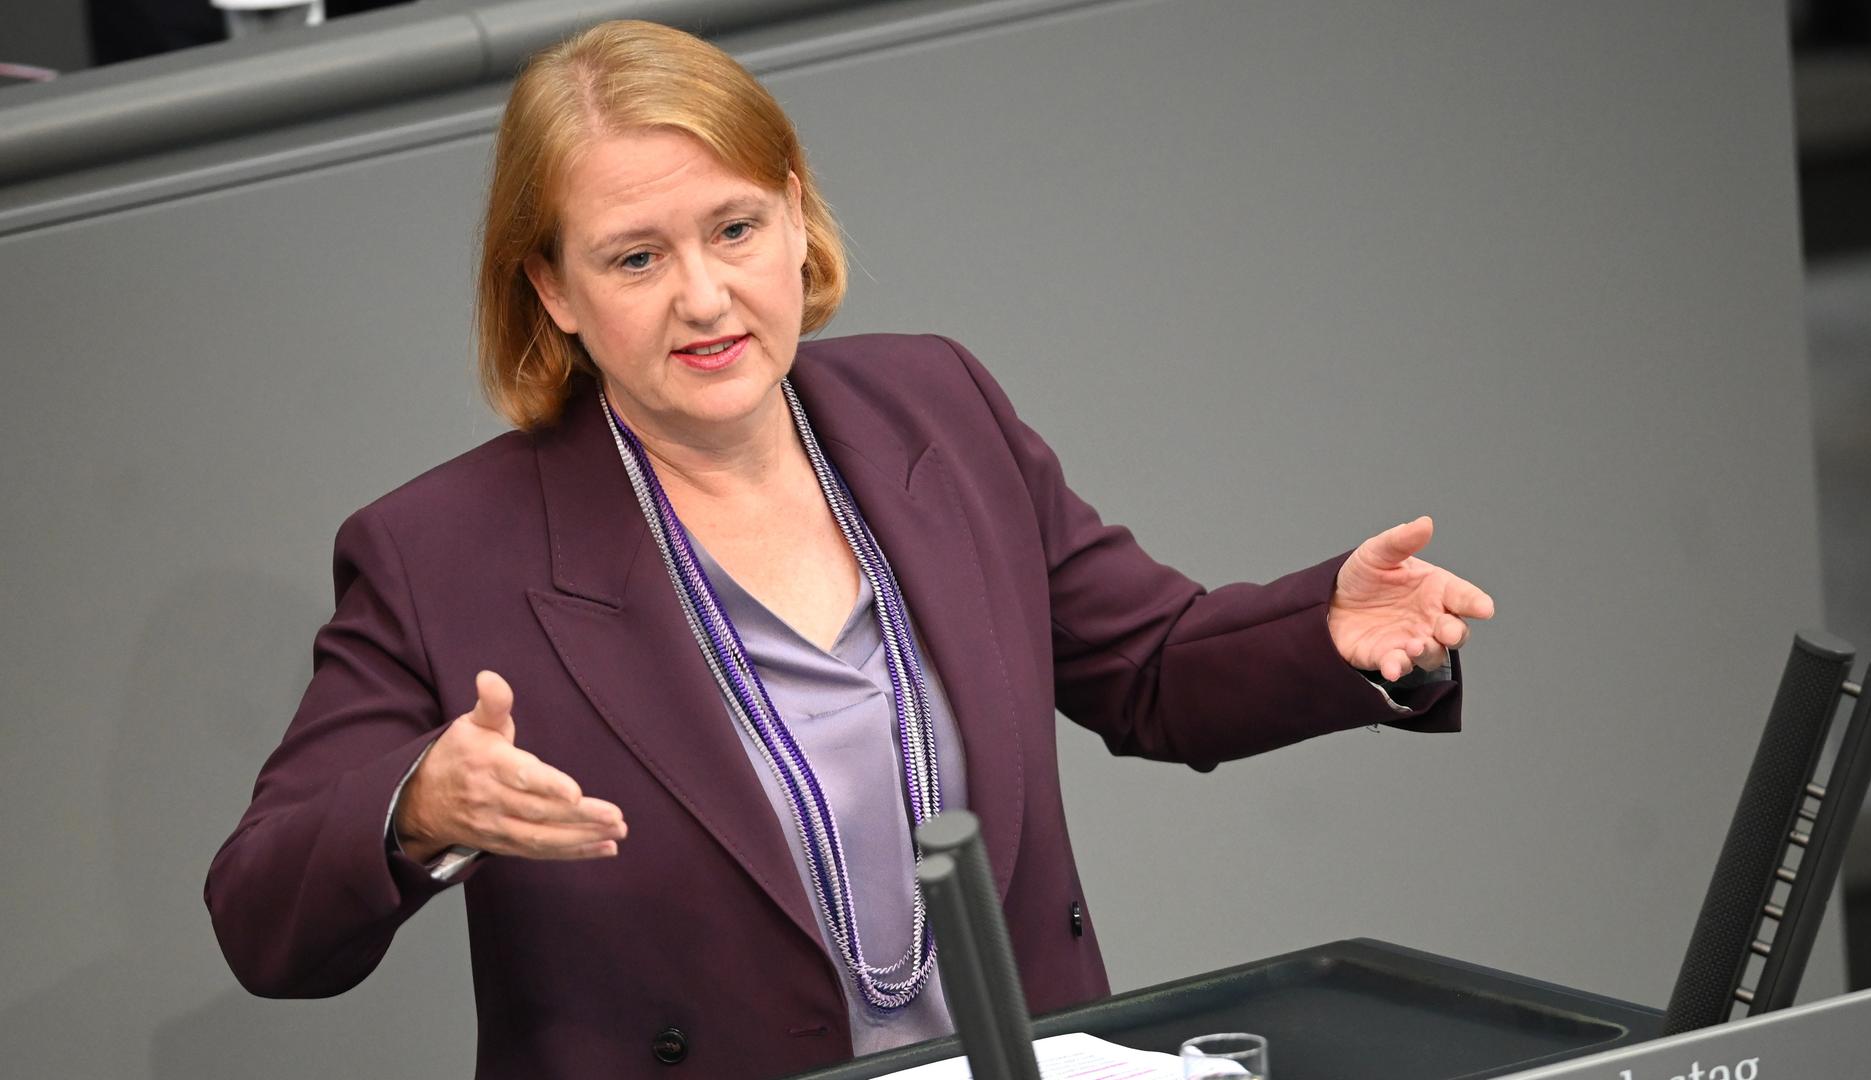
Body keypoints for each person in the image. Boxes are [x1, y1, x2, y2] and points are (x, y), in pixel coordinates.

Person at [204, 19, 1494, 1080]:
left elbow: (1147, 663)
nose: (704, 296)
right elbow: (262, 916)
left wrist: (1331, 639)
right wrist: (415, 810)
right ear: (552, 290)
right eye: (635, 257)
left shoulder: (936, 407)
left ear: (795, 212)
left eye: (735, 230)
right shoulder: (442, 549)